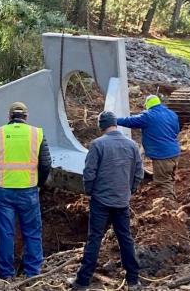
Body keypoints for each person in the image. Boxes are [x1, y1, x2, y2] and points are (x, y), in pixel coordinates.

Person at [72, 111, 144, 291]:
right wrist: (129, 191)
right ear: (115, 124)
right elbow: (138, 173)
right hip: (122, 200)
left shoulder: (97, 144)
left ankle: (82, 282)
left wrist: (90, 192)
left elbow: (89, 173)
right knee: (125, 239)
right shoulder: (132, 145)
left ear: (101, 126)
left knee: (94, 239)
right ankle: (133, 281)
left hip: (100, 201)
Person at [0, 101, 52, 280]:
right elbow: (45, 163)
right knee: (32, 232)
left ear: (9, 117)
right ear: (26, 117)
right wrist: (39, 183)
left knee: (6, 234)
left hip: (3, 192)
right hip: (29, 191)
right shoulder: (37, 134)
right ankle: (33, 273)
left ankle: (6, 275)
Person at [116, 95, 181, 198]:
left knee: (163, 182)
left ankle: (170, 207)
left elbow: (130, 121)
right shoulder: (172, 114)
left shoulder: (148, 116)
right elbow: (176, 131)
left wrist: (114, 120)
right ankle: (173, 201)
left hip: (162, 156)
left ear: (147, 105)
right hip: (175, 153)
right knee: (169, 178)